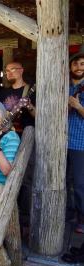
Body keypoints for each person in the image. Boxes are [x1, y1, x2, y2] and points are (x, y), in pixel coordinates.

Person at [67, 45, 84, 233]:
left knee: (80, 184)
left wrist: (78, 106)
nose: (79, 67)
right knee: (61, 181)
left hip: (80, 142)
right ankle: (67, 214)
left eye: (83, 64)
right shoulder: (65, 86)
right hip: (61, 142)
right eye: (76, 64)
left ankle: (82, 218)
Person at [0, 61, 35, 134]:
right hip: (8, 135)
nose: (9, 73)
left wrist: (30, 106)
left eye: (13, 70)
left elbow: (41, 117)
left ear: (21, 71)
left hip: (26, 133)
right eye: (7, 71)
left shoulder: (31, 90)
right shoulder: (4, 92)